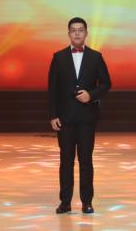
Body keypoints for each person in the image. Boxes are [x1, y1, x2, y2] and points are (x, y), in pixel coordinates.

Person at [48, 17, 112, 214]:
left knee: (86, 161)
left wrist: (91, 95)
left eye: (80, 30)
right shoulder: (58, 57)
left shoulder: (96, 57)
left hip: (87, 118)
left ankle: (87, 202)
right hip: (65, 119)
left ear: (86, 33)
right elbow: (52, 89)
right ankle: (65, 202)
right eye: (73, 30)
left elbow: (106, 83)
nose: (77, 33)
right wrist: (53, 115)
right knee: (66, 162)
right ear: (69, 34)